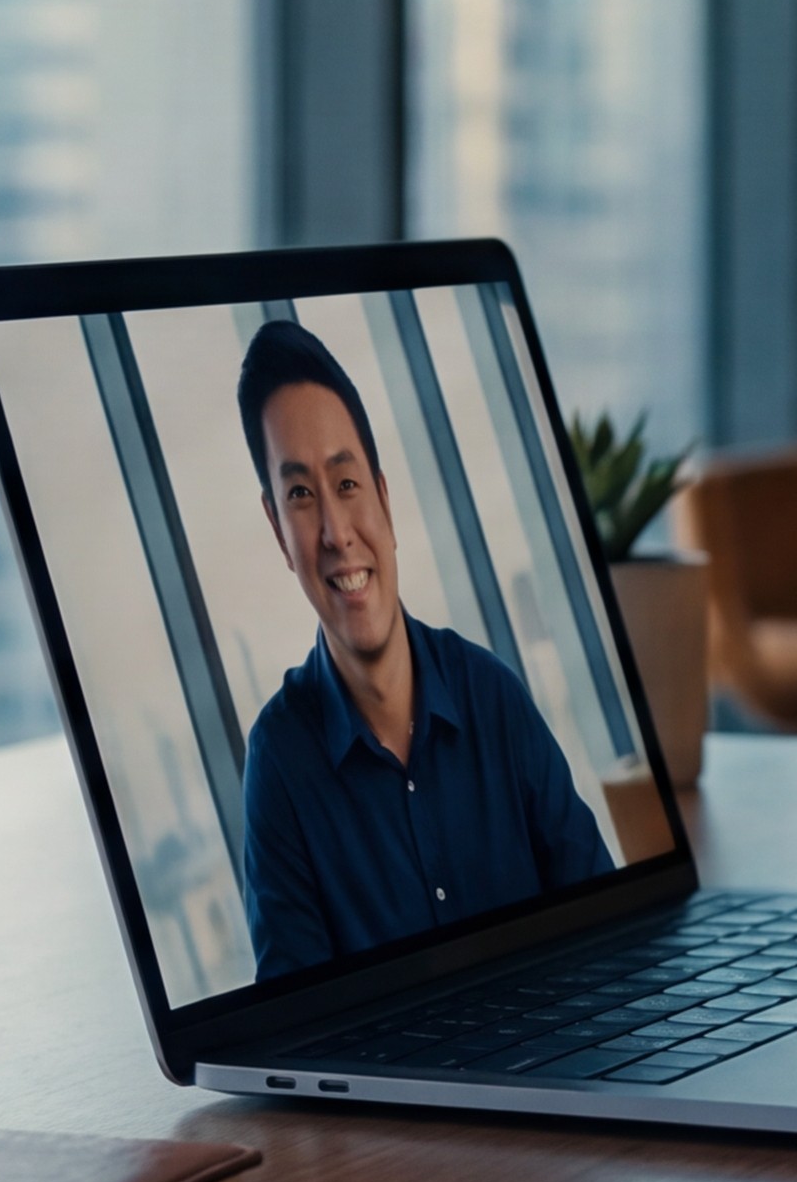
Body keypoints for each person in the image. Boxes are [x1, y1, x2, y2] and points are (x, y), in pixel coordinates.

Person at [228, 319, 611, 979]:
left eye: (347, 485)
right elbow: (297, 1037)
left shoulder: (491, 696)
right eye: (300, 496)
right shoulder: (281, 763)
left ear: (383, 496)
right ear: (275, 529)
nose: (336, 534)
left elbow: (609, 932)